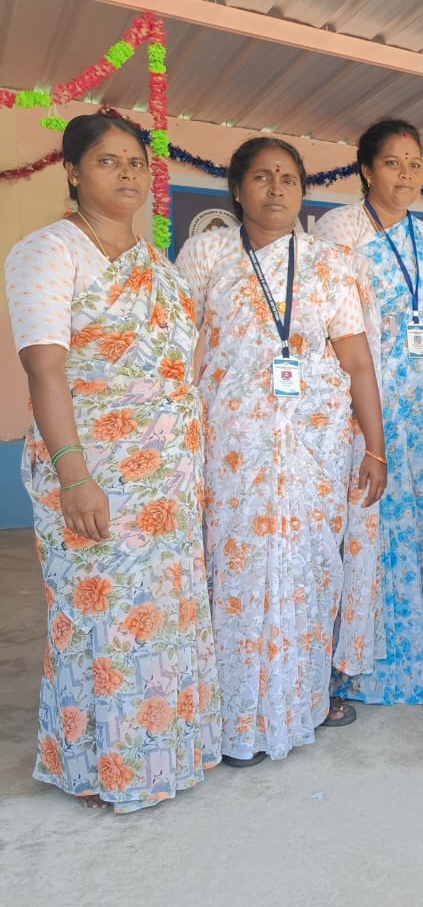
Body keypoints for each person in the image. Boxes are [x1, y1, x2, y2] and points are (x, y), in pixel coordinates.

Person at [5, 113, 222, 810]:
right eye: (108, 161)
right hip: (96, 473)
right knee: (101, 622)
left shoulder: (158, 265)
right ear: (72, 171)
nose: (128, 173)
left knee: (165, 617)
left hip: (168, 479)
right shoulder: (49, 251)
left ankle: (167, 756)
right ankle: (102, 769)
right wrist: (74, 475)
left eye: (136, 162)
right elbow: (45, 370)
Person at [177, 137, 387, 766]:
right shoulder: (208, 253)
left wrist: (375, 448)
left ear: (302, 191)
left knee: (308, 568)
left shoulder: (329, 263)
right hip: (231, 447)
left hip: (314, 447)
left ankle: (302, 703)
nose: (276, 189)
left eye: (289, 178)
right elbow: (179, 347)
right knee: (234, 568)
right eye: (262, 177)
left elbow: (357, 361)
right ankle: (234, 720)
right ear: (237, 189)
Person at [313, 118, 423, 703]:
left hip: (419, 412)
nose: (406, 174)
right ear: (366, 170)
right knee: (366, 536)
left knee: (407, 536)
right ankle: (355, 669)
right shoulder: (339, 229)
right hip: (361, 409)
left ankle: (402, 661)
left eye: (415, 164)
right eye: (393, 162)